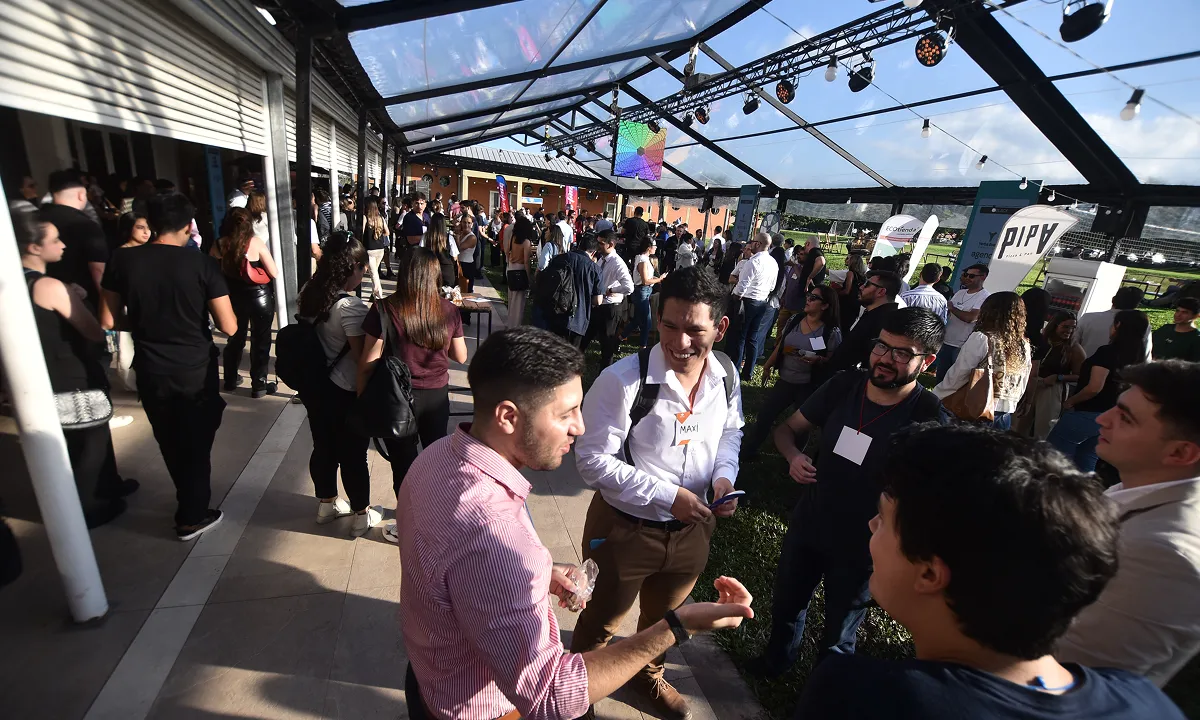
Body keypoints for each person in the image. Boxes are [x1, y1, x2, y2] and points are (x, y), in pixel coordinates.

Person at [396, 326, 754, 720]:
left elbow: (454, 568)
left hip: (430, 680)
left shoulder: (436, 459)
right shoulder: (492, 533)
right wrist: (676, 625)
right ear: (508, 417)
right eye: (566, 413)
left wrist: (542, 572)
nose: (580, 427)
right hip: (489, 708)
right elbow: (550, 695)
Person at [794, 423, 1186, 720]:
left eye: (882, 518)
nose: (871, 526)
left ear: (930, 574)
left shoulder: (863, 696)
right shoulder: (1145, 700)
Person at [572, 268, 745, 720]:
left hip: (692, 531)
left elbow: (731, 431)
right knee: (600, 620)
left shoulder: (725, 374)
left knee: (665, 620)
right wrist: (668, 495)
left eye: (695, 330)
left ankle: (648, 677)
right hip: (624, 529)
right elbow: (591, 461)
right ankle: (577, 692)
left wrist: (724, 476)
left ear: (721, 328)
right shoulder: (622, 380)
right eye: (670, 325)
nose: (680, 342)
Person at [751, 308, 945, 678]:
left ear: (928, 361)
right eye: (881, 346)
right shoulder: (844, 386)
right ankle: (776, 662)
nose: (885, 359)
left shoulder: (928, 415)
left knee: (840, 631)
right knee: (787, 604)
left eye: (902, 353)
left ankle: (827, 692)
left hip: (865, 545)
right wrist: (793, 456)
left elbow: (936, 497)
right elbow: (786, 430)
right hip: (811, 522)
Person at [100, 193, 238, 540]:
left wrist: (149, 323)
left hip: (151, 367)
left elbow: (109, 318)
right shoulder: (201, 264)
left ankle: (188, 500)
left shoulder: (122, 260)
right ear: (189, 226)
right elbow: (230, 326)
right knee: (197, 439)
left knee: (170, 438)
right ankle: (191, 515)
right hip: (194, 367)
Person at [1056, 360, 1200, 687]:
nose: (1103, 420)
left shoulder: (1165, 554)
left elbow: (1076, 670)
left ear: (1180, 453)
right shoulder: (1139, 491)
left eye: (1125, 417)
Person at [17, 208, 135, 528]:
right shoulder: (50, 286)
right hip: (72, 373)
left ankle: (108, 486)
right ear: (34, 247)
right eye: (55, 240)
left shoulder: (17, 284)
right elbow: (93, 330)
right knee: (90, 441)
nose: (63, 245)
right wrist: (75, 298)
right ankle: (86, 506)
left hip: (43, 374)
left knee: (82, 439)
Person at [360, 248, 468, 544]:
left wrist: (362, 398)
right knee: (436, 459)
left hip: (398, 399)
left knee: (403, 463)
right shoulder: (448, 310)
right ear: (434, 276)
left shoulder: (384, 309)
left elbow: (368, 362)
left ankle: (409, 524)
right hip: (437, 397)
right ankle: (438, 519)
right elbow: (461, 354)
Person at [295, 232, 380, 536]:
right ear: (351, 268)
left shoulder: (309, 291)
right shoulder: (350, 308)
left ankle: (326, 503)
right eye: (362, 267)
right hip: (344, 389)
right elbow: (362, 359)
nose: (365, 272)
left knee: (323, 445)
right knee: (353, 452)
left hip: (314, 384)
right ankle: (361, 513)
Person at [743, 284, 842, 456]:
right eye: (808, 295)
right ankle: (749, 451)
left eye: (814, 298)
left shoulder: (830, 332)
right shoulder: (795, 320)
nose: (808, 300)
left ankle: (793, 461)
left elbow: (834, 363)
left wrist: (819, 359)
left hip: (808, 385)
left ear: (825, 305)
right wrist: (768, 365)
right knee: (765, 415)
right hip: (785, 380)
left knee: (801, 426)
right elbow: (782, 345)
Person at [1048, 310, 1151, 472]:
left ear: (1118, 326)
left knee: (1055, 456)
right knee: (1087, 457)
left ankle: (1053, 490)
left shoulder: (1108, 352)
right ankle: (1083, 492)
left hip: (1088, 412)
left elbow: (1095, 387)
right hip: (1112, 414)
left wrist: (1071, 401)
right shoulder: (1139, 356)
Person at [933, 292, 1031, 430]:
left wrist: (937, 394)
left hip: (974, 409)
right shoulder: (1023, 344)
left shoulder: (982, 338)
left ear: (988, 311)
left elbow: (959, 374)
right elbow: (1023, 380)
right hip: (1005, 412)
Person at [208, 208, 278, 397]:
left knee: (235, 339)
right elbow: (274, 272)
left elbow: (212, 273)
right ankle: (259, 385)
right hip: (259, 298)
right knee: (261, 340)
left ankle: (230, 380)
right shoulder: (255, 243)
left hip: (232, 298)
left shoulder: (219, 244)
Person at [40, 170, 109, 314]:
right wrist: (110, 309)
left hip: (40, 298)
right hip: (83, 302)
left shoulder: (35, 220)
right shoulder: (86, 225)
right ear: (81, 195)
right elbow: (98, 270)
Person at [1016, 311, 1085, 439]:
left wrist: (1059, 377)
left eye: (1073, 328)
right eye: (1065, 327)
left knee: (1044, 428)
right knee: (1018, 424)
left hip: (1052, 389)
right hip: (1030, 383)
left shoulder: (1074, 348)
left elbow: (1081, 375)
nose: (1069, 331)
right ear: (1055, 325)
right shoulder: (1041, 341)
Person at [826, 270, 902, 374]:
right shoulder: (873, 314)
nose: (861, 287)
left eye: (867, 284)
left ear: (881, 292)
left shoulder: (885, 322)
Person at [727, 232, 780, 378]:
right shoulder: (773, 262)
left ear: (758, 244)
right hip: (762, 301)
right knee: (753, 337)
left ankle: (736, 370)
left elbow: (742, 285)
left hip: (748, 301)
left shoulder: (753, 262)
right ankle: (748, 371)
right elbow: (772, 286)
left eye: (753, 241)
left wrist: (736, 298)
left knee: (741, 337)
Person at [583, 229, 634, 366]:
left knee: (607, 346)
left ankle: (605, 375)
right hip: (598, 305)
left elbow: (629, 287)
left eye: (601, 243)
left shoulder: (618, 263)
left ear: (611, 244)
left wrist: (611, 290)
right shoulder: (602, 259)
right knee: (584, 338)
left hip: (610, 308)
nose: (598, 245)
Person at [543, 232, 602, 347]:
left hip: (555, 312)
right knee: (571, 355)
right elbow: (598, 300)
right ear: (593, 252)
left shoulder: (559, 259)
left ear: (579, 246)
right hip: (578, 319)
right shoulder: (594, 268)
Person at [937, 263, 991, 382]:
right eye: (965, 275)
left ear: (983, 277)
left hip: (963, 345)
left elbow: (971, 318)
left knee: (957, 380)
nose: (967, 278)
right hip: (947, 341)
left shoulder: (985, 297)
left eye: (971, 276)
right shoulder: (960, 293)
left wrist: (952, 308)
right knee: (941, 377)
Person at [1075, 286, 1152, 360]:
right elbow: (1146, 354)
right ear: (1137, 305)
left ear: (1113, 299)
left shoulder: (1088, 317)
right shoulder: (1141, 324)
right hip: (1120, 371)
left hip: (1083, 366)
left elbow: (1073, 343)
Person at [622, 237, 666, 349]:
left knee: (637, 320)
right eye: (654, 246)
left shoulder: (643, 258)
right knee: (647, 322)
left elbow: (647, 277)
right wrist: (659, 279)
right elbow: (645, 280)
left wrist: (657, 278)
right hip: (642, 291)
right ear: (649, 247)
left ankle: (620, 338)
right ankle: (643, 347)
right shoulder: (642, 260)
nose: (656, 248)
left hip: (644, 291)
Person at [506, 213, 535, 326]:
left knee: (511, 299)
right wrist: (529, 277)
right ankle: (515, 326)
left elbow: (508, 251)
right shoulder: (526, 242)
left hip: (511, 267)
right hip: (520, 269)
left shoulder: (513, 238)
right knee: (519, 303)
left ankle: (510, 323)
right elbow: (526, 261)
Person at [1151, 297, 1200, 361]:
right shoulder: (1165, 328)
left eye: (1184, 312)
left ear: (1196, 316)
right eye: (1177, 311)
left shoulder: (1196, 338)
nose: (1178, 315)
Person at [361, 197, 390, 299]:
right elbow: (387, 232)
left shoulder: (365, 218)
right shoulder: (380, 218)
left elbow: (361, 232)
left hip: (369, 250)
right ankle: (373, 295)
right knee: (374, 272)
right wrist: (378, 234)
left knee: (374, 274)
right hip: (380, 249)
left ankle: (378, 296)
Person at [835, 251, 869, 336]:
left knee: (841, 323)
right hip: (856, 302)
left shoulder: (850, 273)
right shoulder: (863, 276)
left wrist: (836, 293)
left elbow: (847, 290)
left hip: (847, 302)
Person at [425, 213, 458, 289]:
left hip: (430, 270)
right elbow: (454, 257)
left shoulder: (425, 237)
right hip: (446, 271)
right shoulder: (449, 238)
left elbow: (421, 252)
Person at [455, 213, 479, 293]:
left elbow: (459, 249)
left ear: (472, 225)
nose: (466, 225)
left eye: (469, 223)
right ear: (461, 223)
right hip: (459, 263)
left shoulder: (472, 237)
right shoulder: (461, 234)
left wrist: (457, 235)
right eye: (464, 222)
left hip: (467, 265)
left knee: (466, 290)